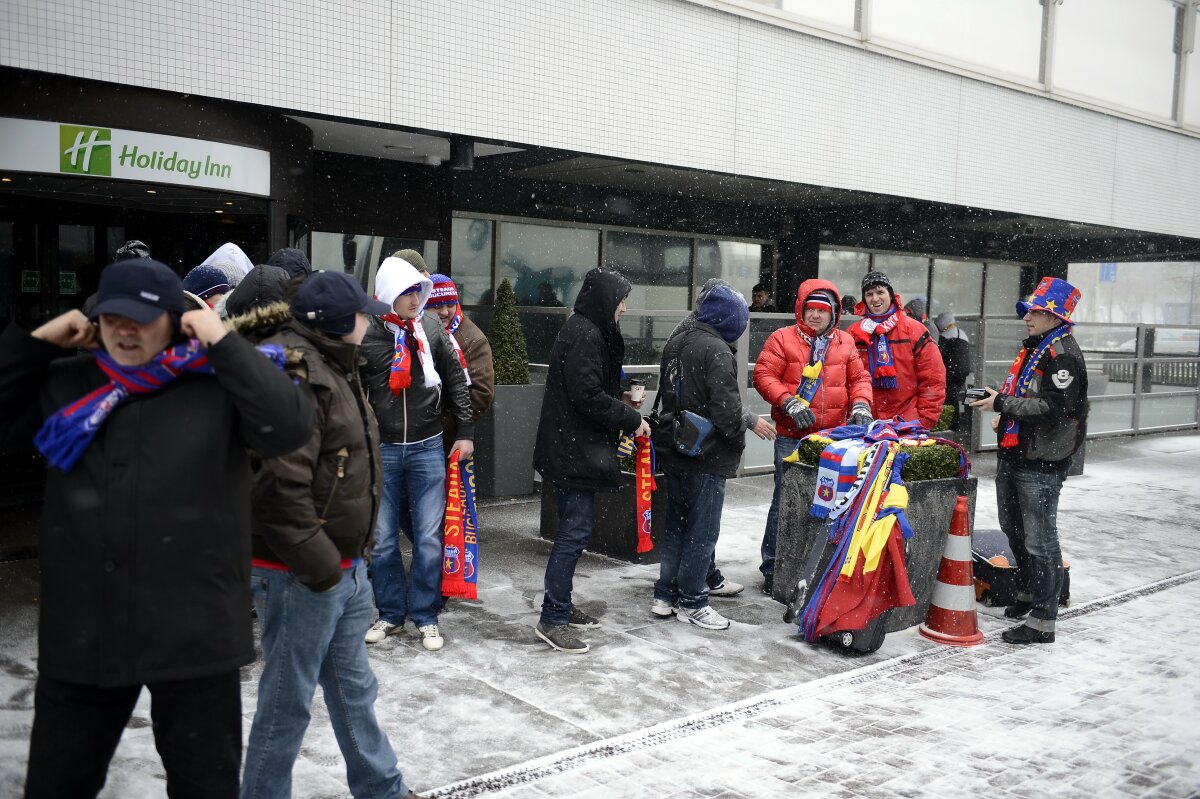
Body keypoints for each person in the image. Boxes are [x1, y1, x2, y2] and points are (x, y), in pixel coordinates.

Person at [0, 258, 314, 798]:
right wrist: (38, 342)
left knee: (205, 787)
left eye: (141, 318)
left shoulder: (215, 384)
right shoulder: (67, 382)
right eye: (113, 318)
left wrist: (222, 341)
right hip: (86, 632)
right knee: (57, 785)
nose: (125, 330)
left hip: (194, 634)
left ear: (175, 320)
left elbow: (288, 425)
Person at [240, 271, 424, 799]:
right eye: (363, 313)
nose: (370, 320)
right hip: (303, 572)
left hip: (343, 565)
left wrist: (348, 563)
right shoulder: (293, 370)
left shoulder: (334, 364)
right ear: (340, 322)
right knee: (287, 702)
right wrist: (320, 565)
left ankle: (381, 787)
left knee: (353, 689)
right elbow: (278, 485)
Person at [533, 267, 649, 653]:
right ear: (606, 301)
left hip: (571, 447)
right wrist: (631, 418)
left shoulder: (583, 329)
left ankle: (562, 605)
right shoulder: (585, 334)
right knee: (575, 531)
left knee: (574, 529)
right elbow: (587, 396)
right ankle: (553, 616)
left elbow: (591, 389)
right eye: (620, 300)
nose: (624, 308)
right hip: (572, 450)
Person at [361, 257, 474, 651]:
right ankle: (390, 613)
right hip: (383, 450)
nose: (415, 299)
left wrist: (466, 431)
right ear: (389, 294)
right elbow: (354, 390)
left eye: (417, 291)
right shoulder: (367, 334)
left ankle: (425, 615)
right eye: (407, 292)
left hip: (428, 445)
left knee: (428, 537)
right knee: (383, 538)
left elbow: (457, 379)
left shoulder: (430, 328)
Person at [970, 277, 1088, 645]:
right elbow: (1027, 396)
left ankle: (1042, 621)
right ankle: (1026, 593)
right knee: (1015, 530)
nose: (1028, 316)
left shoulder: (1062, 354)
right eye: (1029, 310)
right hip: (1019, 453)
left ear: (1055, 316)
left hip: (1042, 462)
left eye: (1036, 311)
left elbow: (1055, 408)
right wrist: (1003, 412)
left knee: (1040, 541)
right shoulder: (1039, 346)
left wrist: (1002, 405)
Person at [652, 284, 775, 629]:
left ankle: (666, 594)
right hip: (705, 456)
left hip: (675, 448)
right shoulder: (717, 350)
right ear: (730, 319)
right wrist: (736, 443)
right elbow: (726, 412)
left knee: (676, 526)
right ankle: (693, 600)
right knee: (702, 532)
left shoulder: (678, 341)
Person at [753, 279, 872, 595]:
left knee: (827, 503)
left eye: (822, 310)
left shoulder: (845, 343)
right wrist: (788, 401)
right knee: (786, 502)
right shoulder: (782, 338)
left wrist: (861, 404)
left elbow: (859, 379)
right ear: (801, 309)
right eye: (811, 309)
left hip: (833, 440)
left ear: (833, 313)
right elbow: (763, 375)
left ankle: (814, 564)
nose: (816, 316)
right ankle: (774, 566)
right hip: (792, 438)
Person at [849, 272, 946, 430]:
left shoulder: (915, 330)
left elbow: (933, 379)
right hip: (865, 425)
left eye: (880, 292)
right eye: (869, 294)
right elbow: (845, 380)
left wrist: (925, 420)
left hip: (908, 424)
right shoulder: (853, 334)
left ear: (891, 295)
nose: (875, 298)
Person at [427, 273, 495, 441]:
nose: (444, 312)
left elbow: (481, 394)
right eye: (437, 306)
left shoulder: (473, 338)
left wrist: (443, 426)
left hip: (443, 436)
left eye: (450, 304)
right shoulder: (417, 332)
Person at [935, 311, 971, 428]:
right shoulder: (962, 334)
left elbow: (940, 356)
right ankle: (958, 424)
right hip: (963, 372)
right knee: (956, 397)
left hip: (950, 373)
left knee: (949, 399)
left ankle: (951, 424)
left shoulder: (945, 336)